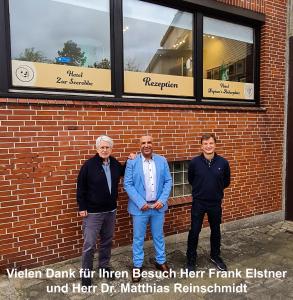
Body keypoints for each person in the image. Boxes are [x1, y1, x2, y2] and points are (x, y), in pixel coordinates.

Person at [77, 135, 125, 287]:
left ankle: (104, 267)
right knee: (89, 244)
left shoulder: (114, 163)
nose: (104, 150)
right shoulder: (89, 166)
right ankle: (86, 275)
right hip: (93, 213)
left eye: (107, 147)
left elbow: (124, 171)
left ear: (111, 149)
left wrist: (131, 159)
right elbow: (81, 187)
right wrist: (82, 207)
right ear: (97, 149)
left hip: (111, 211)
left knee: (107, 241)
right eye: (102, 147)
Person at [124, 135, 172, 282]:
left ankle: (161, 261)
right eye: (143, 143)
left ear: (153, 144)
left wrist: (162, 200)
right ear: (139, 145)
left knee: (158, 236)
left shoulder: (162, 160)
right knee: (138, 238)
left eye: (149, 142)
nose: (146, 145)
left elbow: (168, 181)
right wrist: (140, 202)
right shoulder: (132, 162)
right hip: (140, 209)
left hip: (158, 207)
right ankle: (137, 266)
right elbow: (128, 184)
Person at [186, 133, 230, 272]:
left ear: (215, 145)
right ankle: (191, 259)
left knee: (216, 230)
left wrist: (215, 190)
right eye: (205, 144)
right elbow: (191, 180)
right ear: (201, 146)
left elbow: (226, 181)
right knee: (194, 231)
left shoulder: (223, 163)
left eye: (211, 143)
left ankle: (215, 256)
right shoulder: (194, 162)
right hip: (198, 202)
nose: (208, 146)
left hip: (215, 203)